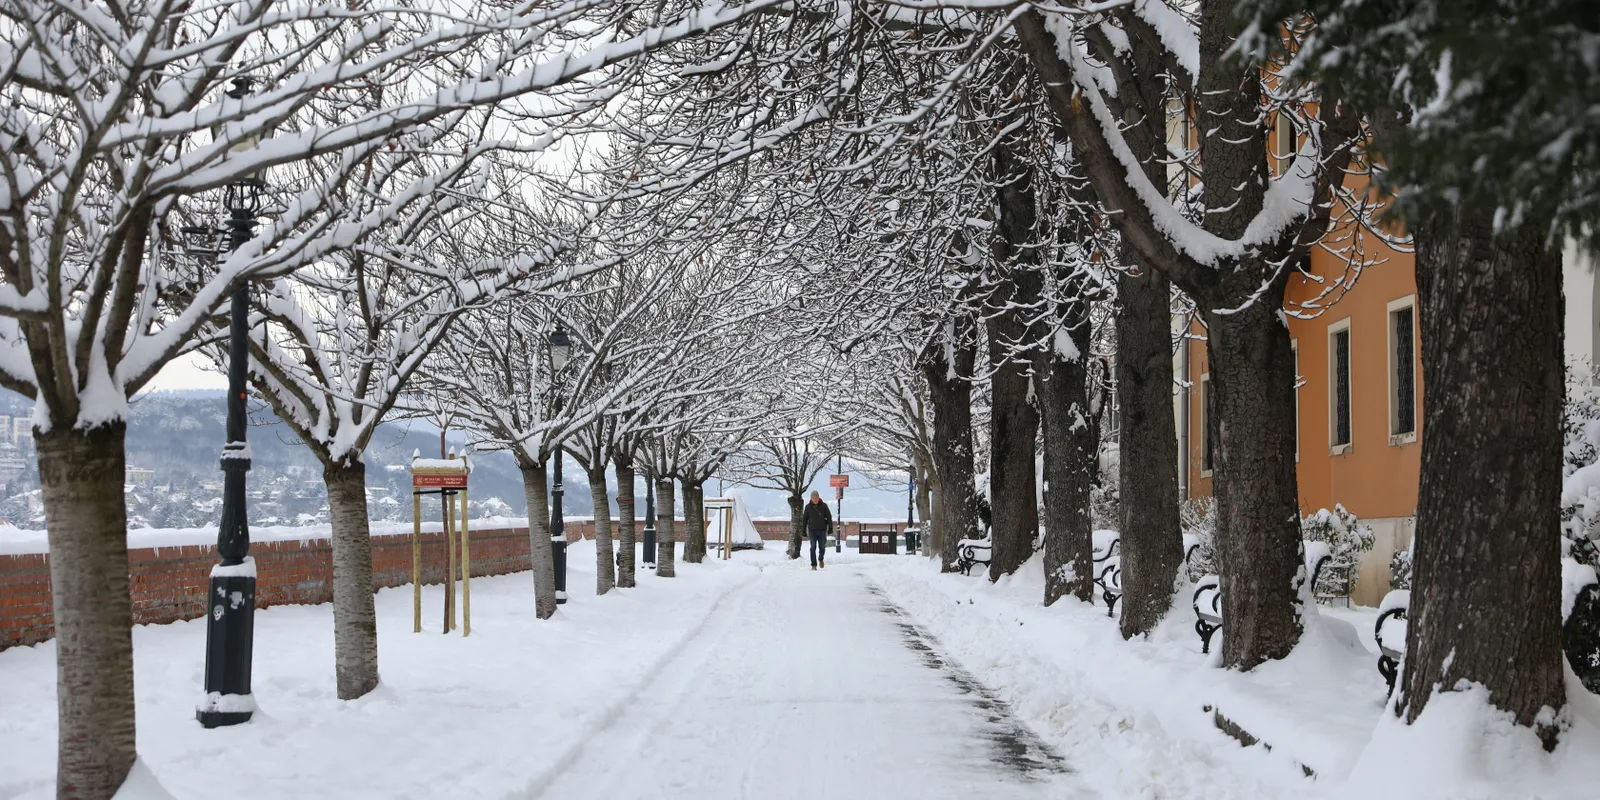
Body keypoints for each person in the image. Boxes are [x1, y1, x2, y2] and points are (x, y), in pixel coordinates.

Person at [801, 490, 833, 570]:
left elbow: (829, 517)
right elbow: (804, 519)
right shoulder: (808, 507)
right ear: (811, 498)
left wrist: (830, 528)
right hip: (812, 530)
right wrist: (803, 530)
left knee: (822, 547)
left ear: (819, 498)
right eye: (813, 498)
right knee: (813, 547)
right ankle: (813, 565)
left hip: (822, 530)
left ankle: (821, 559)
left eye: (816, 497)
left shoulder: (824, 506)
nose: (815, 499)